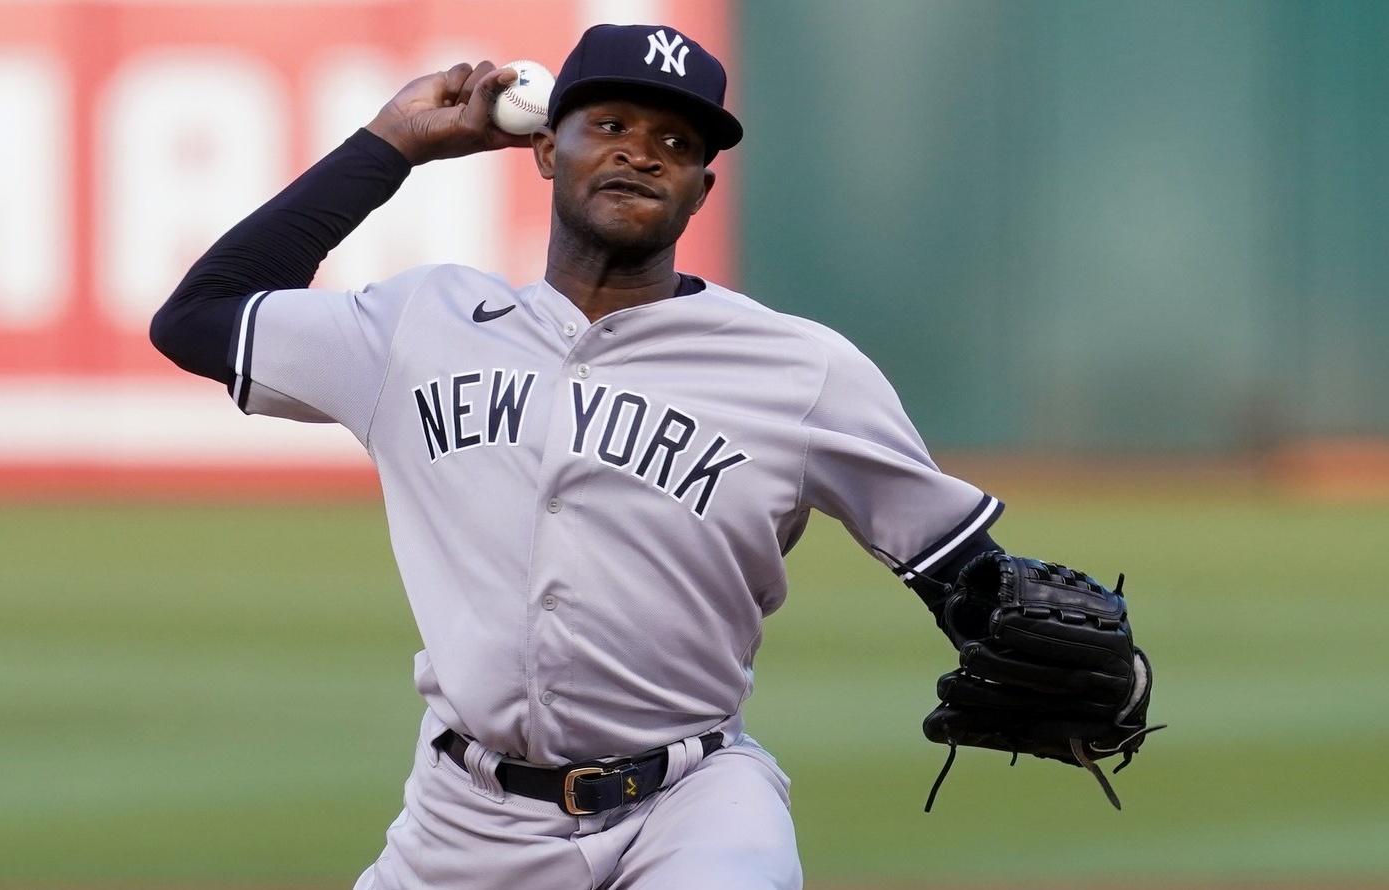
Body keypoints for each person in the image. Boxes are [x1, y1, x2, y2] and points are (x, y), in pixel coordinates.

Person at [151, 22, 1155, 890]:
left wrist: (1046, 642)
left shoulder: (799, 370)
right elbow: (199, 316)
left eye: (675, 141)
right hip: (461, 822)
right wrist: (391, 144)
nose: (640, 153)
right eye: (612, 126)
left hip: (691, 804)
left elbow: (959, 573)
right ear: (548, 148)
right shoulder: (420, 324)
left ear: (701, 185)